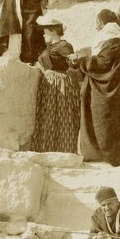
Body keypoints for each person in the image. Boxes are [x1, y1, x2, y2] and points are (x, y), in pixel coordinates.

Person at [71, 9, 120, 167]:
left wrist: (80, 60)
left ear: (102, 22)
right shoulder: (111, 40)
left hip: (108, 92)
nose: (95, 25)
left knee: (104, 123)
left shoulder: (113, 40)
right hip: (104, 89)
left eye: (97, 21)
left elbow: (102, 64)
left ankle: (108, 157)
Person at [29, 15, 82, 154]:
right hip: (49, 83)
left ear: (53, 31)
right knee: (49, 116)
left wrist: (73, 59)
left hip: (59, 83)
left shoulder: (64, 45)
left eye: (45, 31)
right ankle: (47, 149)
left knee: (62, 116)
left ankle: (64, 151)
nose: (43, 34)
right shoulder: (50, 47)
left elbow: (70, 58)